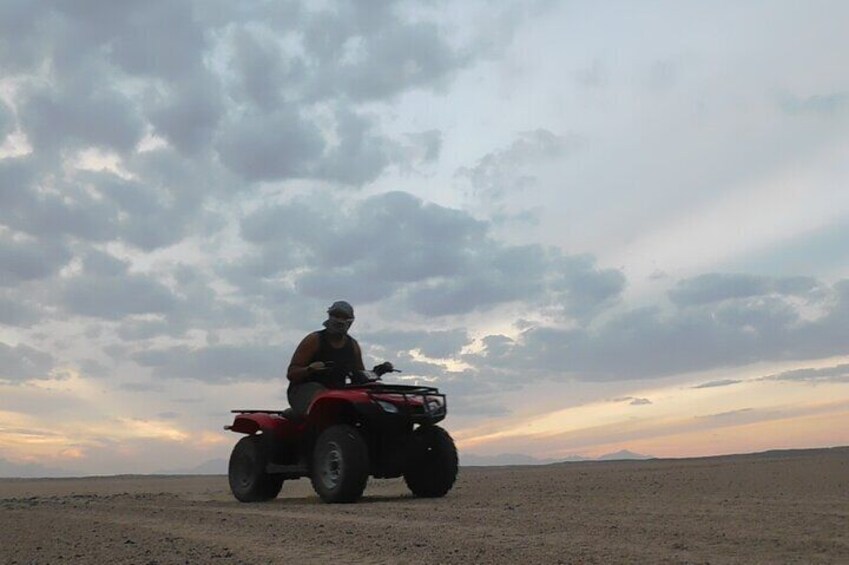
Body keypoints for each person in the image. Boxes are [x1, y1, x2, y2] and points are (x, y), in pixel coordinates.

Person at [286, 300, 392, 416]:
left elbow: (360, 377)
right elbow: (291, 373)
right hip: (305, 391)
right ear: (329, 317)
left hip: (337, 394)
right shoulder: (314, 340)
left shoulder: (353, 346)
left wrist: (378, 371)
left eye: (344, 317)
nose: (340, 321)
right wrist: (309, 369)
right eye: (336, 316)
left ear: (350, 322)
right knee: (326, 404)